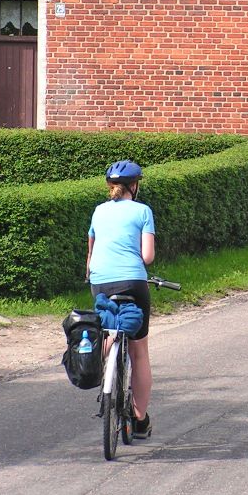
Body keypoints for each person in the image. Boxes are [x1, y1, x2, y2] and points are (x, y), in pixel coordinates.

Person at [86, 160, 156, 439]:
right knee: (139, 352)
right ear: (135, 186)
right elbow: (147, 257)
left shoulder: (98, 211)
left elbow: (90, 255)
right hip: (133, 282)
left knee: (108, 327)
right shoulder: (143, 211)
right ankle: (139, 421)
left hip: (99, 282)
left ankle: (100, 357)